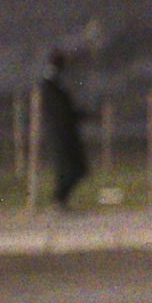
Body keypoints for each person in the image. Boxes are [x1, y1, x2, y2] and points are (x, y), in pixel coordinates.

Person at [38, 49, 89, 211]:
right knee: (70, 168)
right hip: (60, 134)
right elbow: (61, 111)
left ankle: (60, 200)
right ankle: (58, 201)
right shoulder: (50, 85)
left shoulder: (54, 83)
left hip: (65, 133)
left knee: (74, 168)